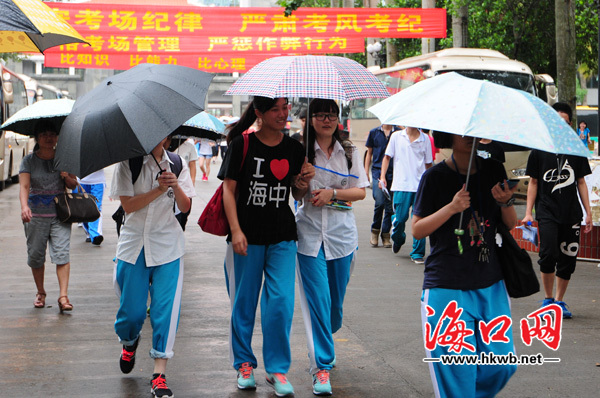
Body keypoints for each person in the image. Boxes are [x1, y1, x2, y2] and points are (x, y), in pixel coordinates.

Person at [218, 96, 313, 397]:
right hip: (246, 237)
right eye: (276, 109)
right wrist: (235, 231)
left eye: (285, 108)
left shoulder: (295, 149)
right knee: (243, 303)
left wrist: (303, 182)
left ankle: (277, 370)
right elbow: (228, 190)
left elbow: (296, 196)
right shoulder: (242, 145)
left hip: (283, 235)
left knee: (281, 304)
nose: (283, 114)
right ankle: (244, 364)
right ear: (259, 113)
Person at [413, 131, 519, 398]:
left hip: (490, 282)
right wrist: (451, 207)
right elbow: (417, 230)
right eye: (463, 132)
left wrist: (505, 201)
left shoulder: (494, 168)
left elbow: (509, 224)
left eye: (475, 130)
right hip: (446, 285)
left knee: (502, 365)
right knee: (457, 370)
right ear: (449, 135)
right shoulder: (434, 177)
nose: (470, 136)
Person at [109, 137, 195, 398]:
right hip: (134, 245)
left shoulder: (177, 163)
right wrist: (158, 189)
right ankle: (129, 340)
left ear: (167, 136)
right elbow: (128, 205)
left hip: (168, 245)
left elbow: (185, 206)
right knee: (132, 313)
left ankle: (159, 374)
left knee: (165, 312)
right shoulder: (128, 163)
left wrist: (174, 185)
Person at [295, 99, 369, 396]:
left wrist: (333, 192)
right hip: (308, 238)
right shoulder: (299, 152)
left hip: (342, 238)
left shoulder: (349, 151)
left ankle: (327, 334)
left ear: (338, 119)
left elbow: (361, 192)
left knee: (333, 309)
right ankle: (321, 367)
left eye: (332, 115)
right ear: (310, 119)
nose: (326, 120)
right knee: (317, 304)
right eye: (320, 115)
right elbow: (295, 193)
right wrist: (302, 181)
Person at [522, 102, 592, 319]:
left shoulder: (576, 150)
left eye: (565, 122)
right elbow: (533, 183)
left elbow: (581, 182)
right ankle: (548, 298)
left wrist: (589, 212)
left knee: (568, 256)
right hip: (547, 211)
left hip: (571, 213)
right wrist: (528, 212)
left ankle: (560, 301)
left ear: (570, 125)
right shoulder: (538, 150)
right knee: (548, 252)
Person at [19, 121, 78, 312]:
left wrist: (65, 176)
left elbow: (73, 184)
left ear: (57, 137)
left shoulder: (64, 158)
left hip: (60, 215)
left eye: (52, 134)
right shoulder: (28, 160)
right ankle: (41, 292)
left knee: (62, 254)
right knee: (36, 256)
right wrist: (24, 206)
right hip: (35, 215)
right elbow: (24, 186)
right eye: (44, 134)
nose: (48, 137)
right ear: (37, 137)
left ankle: (63, 296)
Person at [380, 126, 433, 263]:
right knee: (400, 218)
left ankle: (417, 253)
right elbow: (387, 158)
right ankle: (398, 238)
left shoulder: (425, 138)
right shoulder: (397, 136)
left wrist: (431, 182)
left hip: (420, 186)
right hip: (401, 185)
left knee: (420, 220)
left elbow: (428, 164)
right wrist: (382, 177)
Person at [364, 124, 400, 248]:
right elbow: (369, 153)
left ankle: (386, 235)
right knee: (379, 202)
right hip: (377, 172)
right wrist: (365, 172)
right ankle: (375, 231)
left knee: (390, 207)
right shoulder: (374, 132)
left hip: (394, 174)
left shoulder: (398, 133)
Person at [166, 135, 198, 230]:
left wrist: (191, 183)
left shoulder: (190, 146)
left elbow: (192, 165)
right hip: (168, 189)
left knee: (182, 217)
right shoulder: (166, 146)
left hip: (183, 185)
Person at [75, 169, 106, 245]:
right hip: (82, 181)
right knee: (84, 209)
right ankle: (89, 231)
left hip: (98, 181)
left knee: (96, 207)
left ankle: (95, 234)